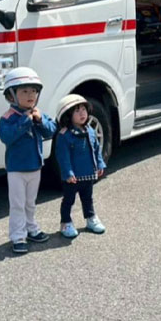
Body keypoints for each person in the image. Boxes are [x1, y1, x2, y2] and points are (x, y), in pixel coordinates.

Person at [0, 68, 57, 254]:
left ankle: (32, 228)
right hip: (16, 169)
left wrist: (40, 121)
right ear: (11, 96)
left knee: (31, 202)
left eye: (33, 91)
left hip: (35, 167)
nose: (30, 95)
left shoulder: (37, 113)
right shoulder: (7, 118)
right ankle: (17, 236)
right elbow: (7, 137)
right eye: (24, 91)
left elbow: (51, 130)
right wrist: (25, 121)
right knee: (17, 204)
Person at [54, 94, 107, 239]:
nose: (82, 113)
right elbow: (62, 156)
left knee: (87, 198)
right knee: (68, 200)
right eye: (76, 111)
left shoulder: (89, 130)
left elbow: (96, 148)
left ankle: (90, 218)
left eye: (83, 109)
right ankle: (65, 222)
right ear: (67, 115)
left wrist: (100, 163)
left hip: (88, 173)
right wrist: (68, 173)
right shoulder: (64, 135)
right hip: (72, 177)